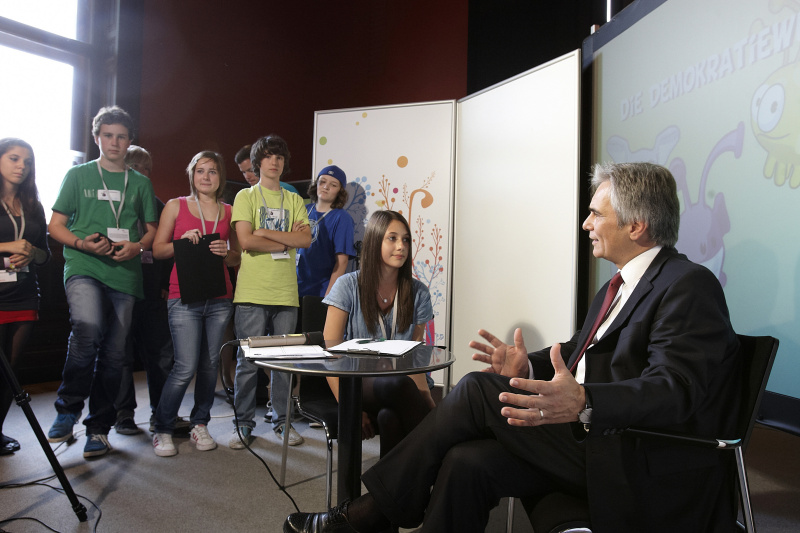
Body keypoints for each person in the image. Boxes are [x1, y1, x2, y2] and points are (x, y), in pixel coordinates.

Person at [285, 162, 743, 533]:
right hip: (586, 436)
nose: (586, 223)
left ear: (637, 225)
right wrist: (530, 365)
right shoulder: (619, 286)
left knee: (475, 389)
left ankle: (366, 513)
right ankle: (375, 512)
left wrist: (586, 400)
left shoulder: (688, 285)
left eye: (596, 214)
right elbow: (580, 351)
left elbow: (677, 388)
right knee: (466, 462)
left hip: (631, 451)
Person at [46, 106, 158, 458]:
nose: (114, 142)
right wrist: (81, 244)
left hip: (125, 273)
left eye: (121, 137)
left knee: (114, 354)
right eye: (108, 135)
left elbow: (151, 230)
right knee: (87, 326)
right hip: (84, 265)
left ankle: (98, 428)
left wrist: (138, 246)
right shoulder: (77, 175)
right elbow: (55, 225)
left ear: (129, 140)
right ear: (97, 138)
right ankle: (67, 410)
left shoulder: (139, 182)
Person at [151, 151, 241, 456]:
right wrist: (180, 244)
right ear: (191, 174)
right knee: (185, 366)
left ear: (220, 177)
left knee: (210, 366)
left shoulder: (229, 211)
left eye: (212, 171)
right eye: (200, 170)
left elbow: (237, 257)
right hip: (183, 296)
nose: (206, 176)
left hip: (219, 297)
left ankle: (200, 423)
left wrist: (226, 252)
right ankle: (163, 427)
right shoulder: (175, 206)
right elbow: (157, 250)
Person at [323, 210, 434, 457]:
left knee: (389, 417)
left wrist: (428, 402)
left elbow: (415, 360)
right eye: (392, 238)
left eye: (406, 240)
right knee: (398, 384)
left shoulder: (419, 293)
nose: (401, 246)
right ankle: (434, 458)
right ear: (375, 241)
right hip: (358, 385)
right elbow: (331, 356)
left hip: (401, 387)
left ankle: (388, 483)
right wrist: (350, 407)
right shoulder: (347, 286)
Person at [230, 134, 310, 449]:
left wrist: (264, 232)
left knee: (283, 362)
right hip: (252, 291)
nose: (274, 161)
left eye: (279, 156)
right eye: (267, 156)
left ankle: (282, 422)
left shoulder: (293, 200)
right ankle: (243, 424)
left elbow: (305, 240)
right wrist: (284, 239)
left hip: (285, 292)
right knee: (247, 362)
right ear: (257, 162)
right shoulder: (246, 196)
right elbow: (246, 241)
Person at [114, 145, 185, 435]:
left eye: (146, 169)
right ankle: (123, 415)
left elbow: (170, 250)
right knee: (120, 354)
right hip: (120, 289)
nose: (142, 173)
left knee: (161, 356)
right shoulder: (114, 203)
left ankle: (163, 413)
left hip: (154, 292)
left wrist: (166, 285)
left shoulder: (160, 206)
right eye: (135, 167)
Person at [0, 138, 50, 456]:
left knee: (11, 371)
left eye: (27, 161)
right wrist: (6, 247)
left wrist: (32, 253)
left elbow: (45, 255)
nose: (21, 166)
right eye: (14, 158)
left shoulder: (33, 205)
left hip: (24, 295)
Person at [297, 165, 355, 298]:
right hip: (294, 288)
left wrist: (329, 297)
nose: (325, 187)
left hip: (320, 292)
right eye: (322, 181)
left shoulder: (342, 218)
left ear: (340, 191)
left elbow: (342, 262)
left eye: (333, 185)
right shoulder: (304, 209)